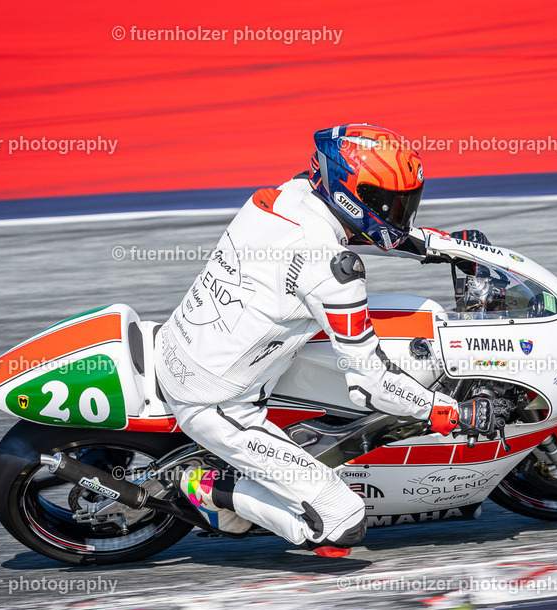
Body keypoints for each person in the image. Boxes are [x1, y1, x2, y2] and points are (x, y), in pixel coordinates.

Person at [154, 124, 492, 556]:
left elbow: (365, 229)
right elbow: (371, 382)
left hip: (196, 343)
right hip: (215, 401)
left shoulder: (290, 194)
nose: (398, 212)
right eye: (388, 202)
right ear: (350, 194)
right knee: (340, 529)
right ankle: (202, 488)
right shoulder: (334, 271)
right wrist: (447, 411)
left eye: (406, 201)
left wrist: (443, 246)